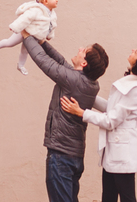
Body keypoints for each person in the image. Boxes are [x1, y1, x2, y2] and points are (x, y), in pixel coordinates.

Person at [61, 45, 137, 202]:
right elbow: (112, 110)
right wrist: (88, 96)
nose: (133, 50)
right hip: (115, 150)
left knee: (127, 197)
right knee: (108, 197)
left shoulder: (136, 90)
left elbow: (111, 121)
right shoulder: (131, 84)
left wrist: (81, 113)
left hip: (123, 153)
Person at [24, 34, 109, 202]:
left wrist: (26, 37)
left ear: (84, 63)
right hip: (73, 156)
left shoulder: (72, 80)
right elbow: (61, 62)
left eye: (83, 51)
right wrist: (42, 42)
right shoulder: (90, 83)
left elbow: (43, 61)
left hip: (61, 156)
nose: (79, 49)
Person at [0, 0, 58, 75]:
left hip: (33, 37)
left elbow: (52, 25)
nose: (56, 0)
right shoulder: (36, 10)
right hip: (24, 31)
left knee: (25, 52)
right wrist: (15, 26)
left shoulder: (52, 14)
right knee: (10, 42)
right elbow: (25, 18)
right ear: (45, 1)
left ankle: (21, 65)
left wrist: (49, 35)